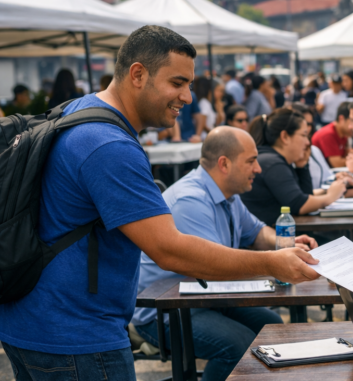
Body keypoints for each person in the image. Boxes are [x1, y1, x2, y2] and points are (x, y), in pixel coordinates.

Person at [0, 25, 320, 381]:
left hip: (31, 322)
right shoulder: (109, 145)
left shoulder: (81, 110)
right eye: (177, 82)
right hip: (77, 336)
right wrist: (272, 263)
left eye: (190, 85)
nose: (187, 96)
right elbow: (169, 250)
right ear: (138, 74)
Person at [132, 127, 318, 381]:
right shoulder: (191, 201)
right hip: (165, 312)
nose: (258, 169)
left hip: (204, 300)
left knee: (273, 328)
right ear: (224, 164)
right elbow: (215, 270)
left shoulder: (228, 193)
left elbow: (255, 233)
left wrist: (285, 243)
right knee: (237, 346)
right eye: (251, 161)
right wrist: (274, 264)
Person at [241, 109, 348, 226]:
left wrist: (302, 167)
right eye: (303, 135)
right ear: (285, 137)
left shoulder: (274, 159)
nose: (308, 142)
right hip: (267, 239)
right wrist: (330, 196)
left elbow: (305, 196)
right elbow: (300, 205)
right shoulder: (273, 163)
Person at [288, 102, 332, 189]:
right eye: (304, 124)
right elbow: (297, 196)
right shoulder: (286, 156)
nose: (307, 129)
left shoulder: (314, 150)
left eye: (310, 124)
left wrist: (339, 178)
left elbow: (327, 178)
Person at [312, 101, 352, 167]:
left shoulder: (344, 133)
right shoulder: (328, 134)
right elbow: (337, 164)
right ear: (341, 119)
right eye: (352, 121)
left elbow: (346, 154)